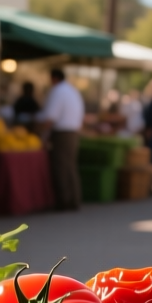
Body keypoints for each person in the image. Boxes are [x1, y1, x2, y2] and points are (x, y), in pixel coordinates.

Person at [40, 68, 85, 210]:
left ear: (54, 78)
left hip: (62, 134)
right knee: (70, 167)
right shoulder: (72, 91)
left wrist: (43, 135)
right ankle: (74, 200)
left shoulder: (58, 91)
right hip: (73, 132)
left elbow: (51, 117)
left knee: (61, 168)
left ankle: (64, 201)